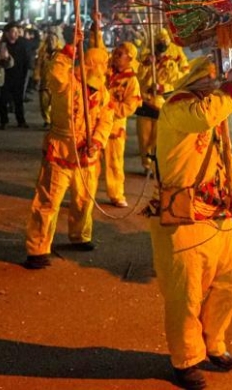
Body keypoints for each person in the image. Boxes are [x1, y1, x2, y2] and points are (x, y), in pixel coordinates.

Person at [146, 55, 232, 390]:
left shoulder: (211, 115)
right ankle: (186, 358)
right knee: (185, 296)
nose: (213, 91)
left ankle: (212, 340)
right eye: (211, 84)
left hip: (218, 216)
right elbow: (204, 115)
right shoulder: (178, 107)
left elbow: (225, 158)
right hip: (183, 219)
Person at [23, 28, 113, 269]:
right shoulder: (66, 82)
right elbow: (55, 71)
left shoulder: (103, 90)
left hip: (87, 154)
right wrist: (69, 50)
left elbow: (107, 118)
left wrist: (97, 141)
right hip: (61, 149)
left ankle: (80, 235)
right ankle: (37, 249)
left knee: (84, 200)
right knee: (48, 201)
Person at [136, 29, 189, 174]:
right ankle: (146, 165)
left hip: (160, 104)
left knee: (157, 137)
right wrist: (147, 64)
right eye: (159, 42)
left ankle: (155, 163)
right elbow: (137, 76)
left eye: (164, 43)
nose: (162, 45)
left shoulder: (171, 64)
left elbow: (177, 81)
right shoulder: (145, 58)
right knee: (144, 137)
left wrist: (162, 87)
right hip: (144, 103)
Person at [104, 42, 142, 207]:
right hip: (94, 124)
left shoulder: (132, 81)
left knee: (114, 162)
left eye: (121, 55)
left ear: (130, 59)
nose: (116, 57)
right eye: (116, 53)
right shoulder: (105, 72)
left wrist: (108, 110)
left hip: (114, 127)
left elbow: (129, 107)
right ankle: (85, 193)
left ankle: (116, 194)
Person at [0, 22, 32, 129]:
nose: (16, 34)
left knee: (18, 100)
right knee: (3, 100)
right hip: (5, 76)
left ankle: (21, 120)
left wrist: (26, 73)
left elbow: (27, 59)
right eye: (13, 31)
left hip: (19, 75)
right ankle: (4, 121)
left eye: (17, 31)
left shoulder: (23, 43)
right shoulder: (2, 45)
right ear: (7, 33)